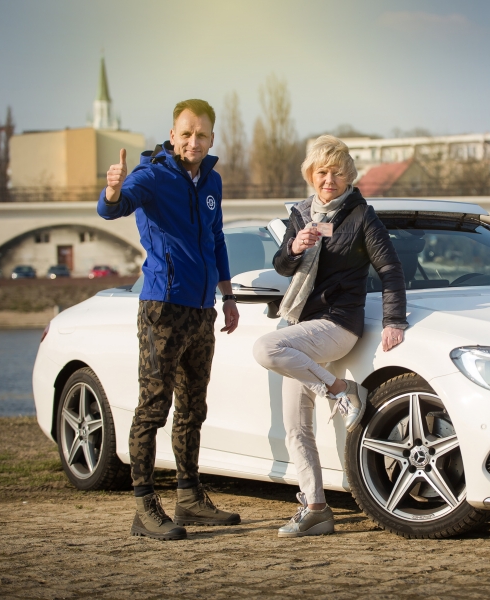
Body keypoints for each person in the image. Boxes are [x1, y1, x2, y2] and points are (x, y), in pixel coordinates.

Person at [97, 99, 241, 541]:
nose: (194, 141)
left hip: (202, 310)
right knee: (153, 407)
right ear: (173, 135)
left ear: (211, 139)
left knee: (193, 408)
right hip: (162, 308)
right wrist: (112, 191)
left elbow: (216, 239)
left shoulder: (212, 180)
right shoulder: (152, 175)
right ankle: (144, 506)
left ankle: (189, 497)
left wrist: (228, 296)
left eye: (202, 134)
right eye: (186, 133)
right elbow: (113, 209)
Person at [253, 135, 407, 538]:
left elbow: (390, 269)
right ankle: (316, 509)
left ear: (348, 176)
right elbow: (282, 266)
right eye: (321, 172)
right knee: (295, 426)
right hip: (300, 325)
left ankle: (342, 390)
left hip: (338, 323)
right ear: (311, 174)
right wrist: (294, 247)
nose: (328, 180)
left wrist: (394, 320)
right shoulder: (302, 214)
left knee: (266, 347)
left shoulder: (361, 216)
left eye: (337, 173)